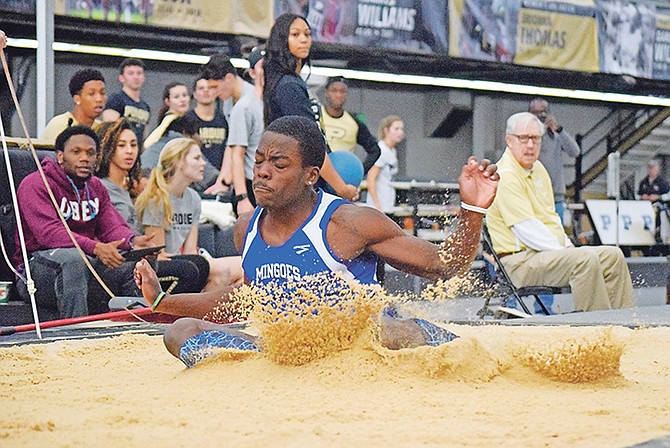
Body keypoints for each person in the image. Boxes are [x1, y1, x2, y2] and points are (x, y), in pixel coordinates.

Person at [133, 115, 499, 367]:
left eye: (278, 164)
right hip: (292, 352)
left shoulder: (349, 222)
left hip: (367, 345)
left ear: (310, 175)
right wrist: (165, 301)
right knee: (179, 332)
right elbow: (244, 301)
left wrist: (472, 210)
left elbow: (444, 264)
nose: (262, 171)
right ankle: (265, 366)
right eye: (259, 160)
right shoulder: (246, 227)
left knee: (387, 330)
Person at [486, 112, 634, 312]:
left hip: (543, 255)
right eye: (524, 138)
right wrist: (566, 251)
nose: (530, 145)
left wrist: (568, 245)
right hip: (519, 261)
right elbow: (526, 229)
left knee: (613, 256)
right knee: (585, 259)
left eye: (535, 138)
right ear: (509, 140)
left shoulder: (538, 169)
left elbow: (551, 218)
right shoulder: (506, 175)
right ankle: (597, 327)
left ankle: (623, 322)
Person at [14, 126, 154, 318]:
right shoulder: (35, 184)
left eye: (90, 153)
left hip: (87, 263)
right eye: (76, 152)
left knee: (134, 264)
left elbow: (111, 226)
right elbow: (49, 234)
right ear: (60, 156)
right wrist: (95, 247)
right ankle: (76, 335)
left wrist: (133, 242)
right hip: (36, 271)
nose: (84, 158)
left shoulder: (95, 186)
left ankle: (134, 330)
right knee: (74, 260)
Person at [95, 119, 209, 294]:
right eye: (121, 145)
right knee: (189, 270)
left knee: (200, 264)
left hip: (141, 254)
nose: (129, 151)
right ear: (108, 149)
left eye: (133, 145)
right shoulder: (100, 187)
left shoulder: (131, 187)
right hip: (120, 260)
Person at [263, 12, 358, 202]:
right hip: (300, 184)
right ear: (283, 40)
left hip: (308, 180)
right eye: (295, 34)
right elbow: (309, 142)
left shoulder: (294, 82)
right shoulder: (288, 86)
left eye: (307, 34)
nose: (304, 40)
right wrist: (340, 188)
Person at [135, 138, 243, 292]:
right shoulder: (156, 199)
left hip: (187, 261)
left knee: (245, 266)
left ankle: (206, 310)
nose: (203, 163)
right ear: (179, 162)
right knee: (223, 272)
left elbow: (191, 251)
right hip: (163, 265)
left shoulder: (193, 198)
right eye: (197, 158)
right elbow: (159, 255)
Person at [528, 98, 580, 225]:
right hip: (532, 196)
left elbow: (575, 151)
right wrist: (537, 133)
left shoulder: (557, 136)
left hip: (555, 197)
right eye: (535, 113)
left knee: (556, 237)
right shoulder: (526, 138)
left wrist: (559, 130)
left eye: (543, 112)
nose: (539, 116)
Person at [226, 48, 265, 215]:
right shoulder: (244, 107)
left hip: (274, 186)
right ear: (253, 73)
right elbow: (237, 154)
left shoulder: (277, 104)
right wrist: (242, 197)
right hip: (252, 186)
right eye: (263, 67)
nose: (268, 71)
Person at [321, 76, 381, 174]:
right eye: (334, 90)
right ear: (326, 92)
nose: (338, 95)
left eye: (342, 91)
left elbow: (375, 150)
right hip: (319, 177)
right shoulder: (316, 116)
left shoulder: (354, 123)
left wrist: (360, 171)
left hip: (344, 178)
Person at [184, 75, 230, 194]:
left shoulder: (223, 120)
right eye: (201, 88)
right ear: (194, 94)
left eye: (210, 87)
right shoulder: (187, 120)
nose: (206, 91)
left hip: (219, 182)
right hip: (193, 182)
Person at [43, 69, 106, 140]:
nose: (99, 99)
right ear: (77, 99)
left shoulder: (101, 128)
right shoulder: (60, 125)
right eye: (91, 94)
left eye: (102, 93)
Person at [101, 58, 151, 148]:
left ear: (143, 77)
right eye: (131, 73)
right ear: (121, 78)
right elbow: (109, 130)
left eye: (139, 73)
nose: (136, 77)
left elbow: (144, 136)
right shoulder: (116, 99)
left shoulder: (145, 107)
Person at [365, 115, 404, 213]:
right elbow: (371, 178)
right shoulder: (381, 149)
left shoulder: (392, 151)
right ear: (386, 130)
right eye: (396, 129)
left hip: (388, 203)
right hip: (378, 207)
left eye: (401, 129)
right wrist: (377, 205)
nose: (400, 132)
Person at [144, 81, 190, 150]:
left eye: (184, 95)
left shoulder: (186, 120)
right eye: (176, 97)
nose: (182, 100)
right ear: (167, 101)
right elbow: (148, 144)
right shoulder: (171, 121)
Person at [637, 159, 670, 243]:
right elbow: (638, 194)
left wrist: (658, 197)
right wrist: (643, 197)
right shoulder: (643, 182)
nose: (651, 170)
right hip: (644, 208)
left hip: (658, 208)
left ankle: (658, 235)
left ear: (657, 169)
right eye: (650, 168)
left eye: (653, 168)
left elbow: (667, 195)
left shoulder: (662, 182)